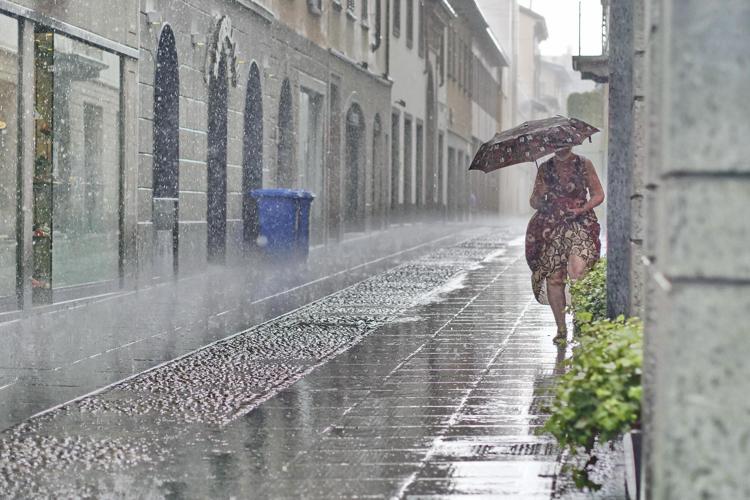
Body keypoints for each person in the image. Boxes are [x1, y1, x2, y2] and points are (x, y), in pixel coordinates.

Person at [526, 146, 604, 342]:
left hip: (579, 224)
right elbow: (534, 202)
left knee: (578, 271)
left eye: (565, 141)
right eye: (557, 142)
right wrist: (539, 194)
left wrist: (583, 209)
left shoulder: (584, 163)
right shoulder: (544, 168)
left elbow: (598, 194)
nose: (561, 145)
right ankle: (561, 329)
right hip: (550, 227)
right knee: (554, 278)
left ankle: (580, 322)